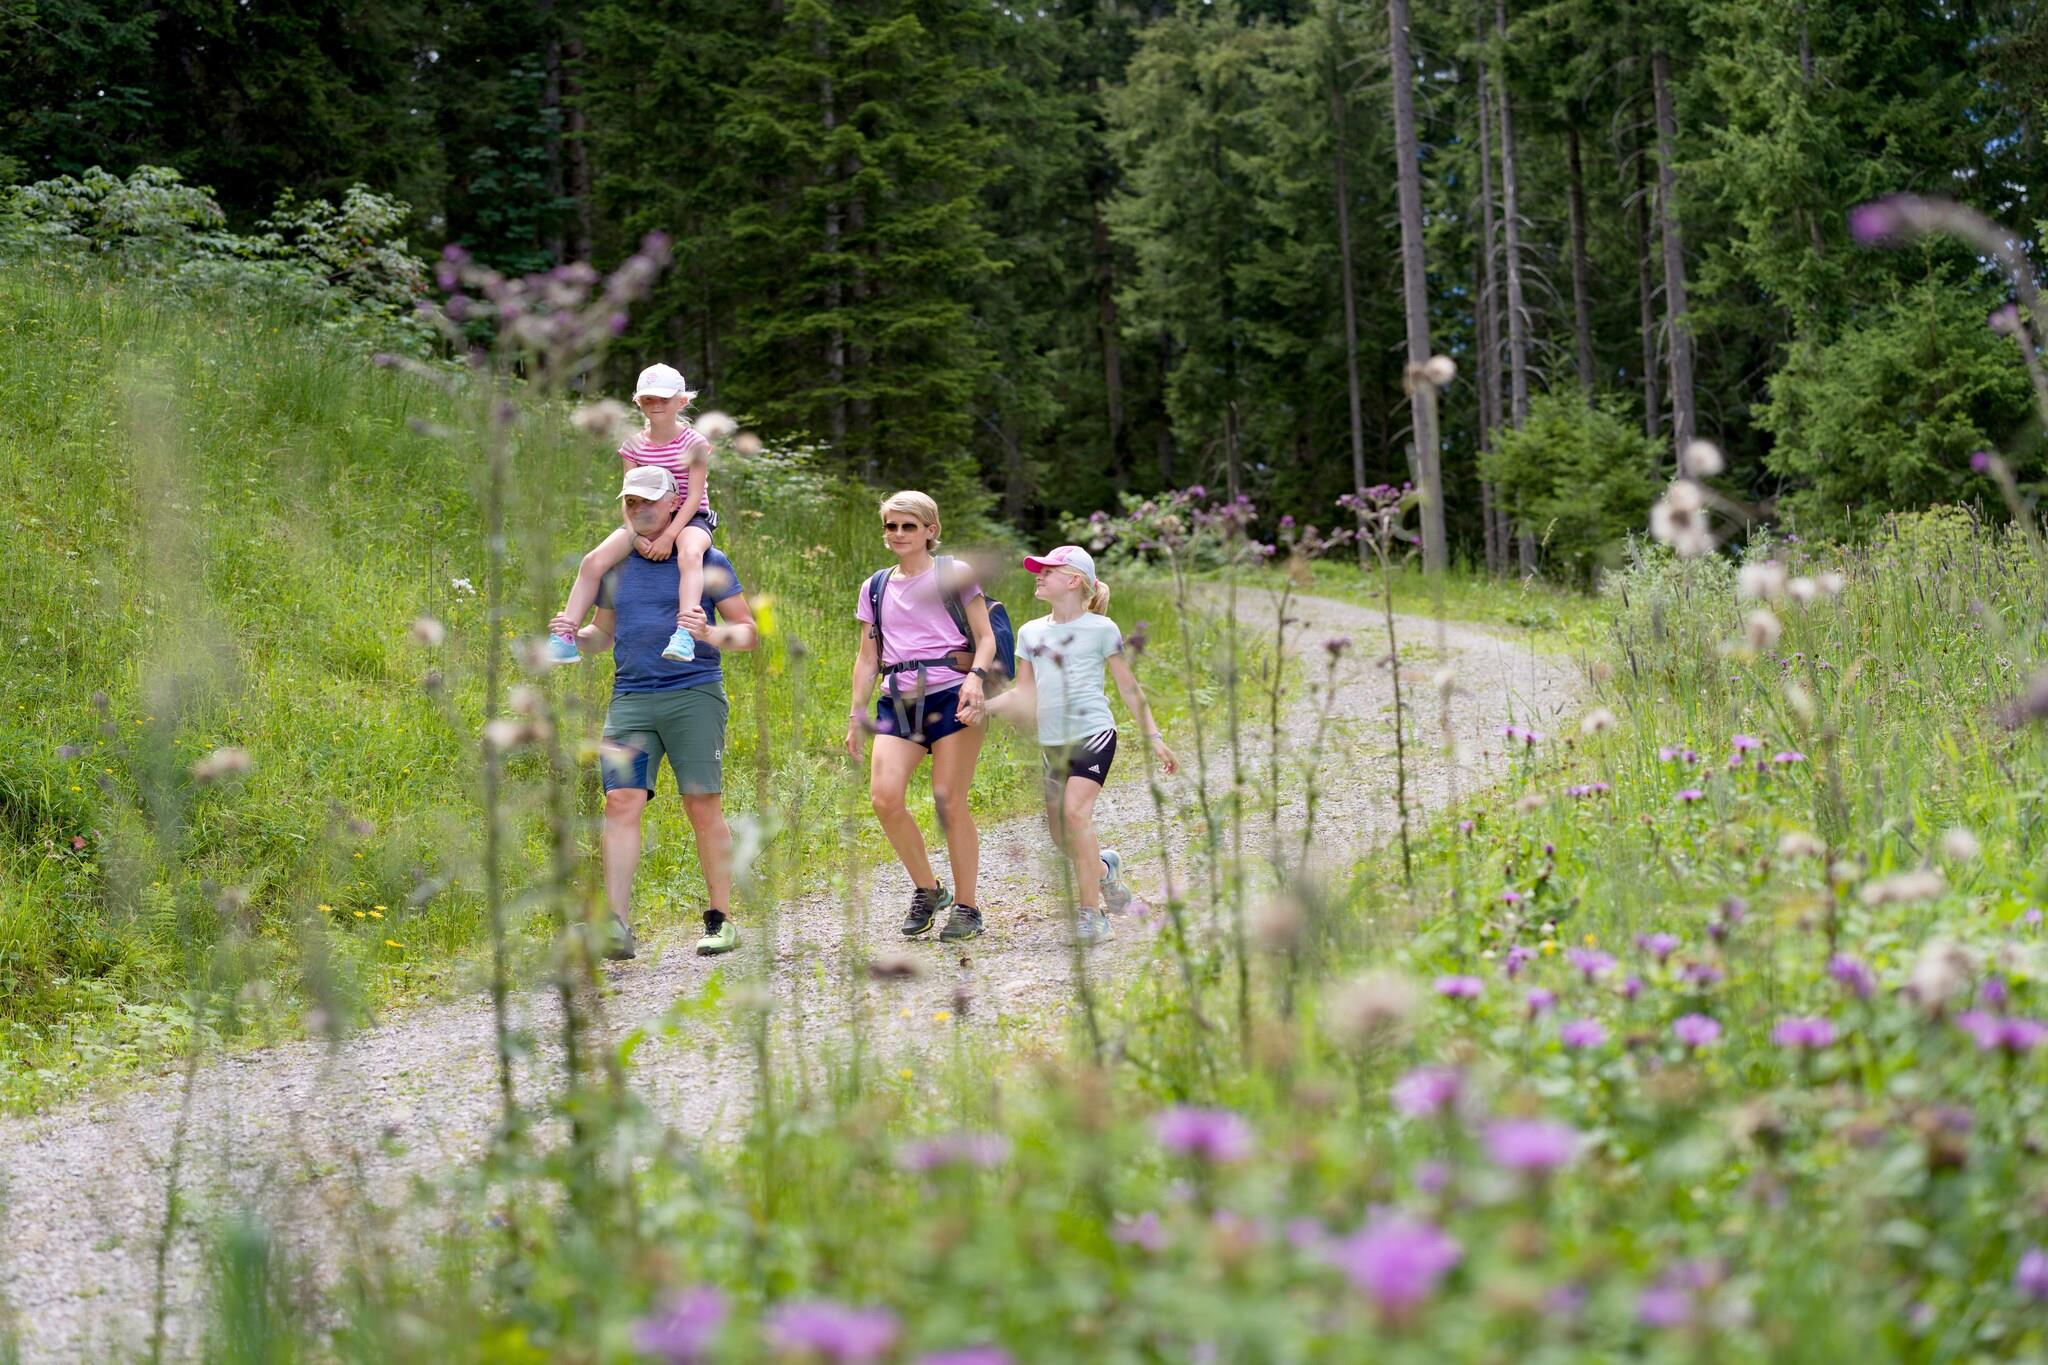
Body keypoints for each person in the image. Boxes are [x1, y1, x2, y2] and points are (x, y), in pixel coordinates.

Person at [557, 464, 756, 960]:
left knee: (701, 804)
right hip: (630, 697)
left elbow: (748, 633)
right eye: (631, 502)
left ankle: (720, 919)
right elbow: (603, 635)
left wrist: (709, 632)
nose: (639, 509)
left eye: (649, 501)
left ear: (673, 505)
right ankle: (616, 925)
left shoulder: (707, 559)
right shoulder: (616, 566)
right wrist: (572, 635)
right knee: (620, 802)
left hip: (694, 694)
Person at [986, 545, 1178, 946]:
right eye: (1038, 570)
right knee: (1060, 835)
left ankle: (1092, 914)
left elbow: (1129, 688)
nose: (1038, 575)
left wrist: (1153, 737)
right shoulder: (1030, 632)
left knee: (1076, 815)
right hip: (1051, 743)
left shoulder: (1102, 629)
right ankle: (1105, 871)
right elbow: (1023, 693)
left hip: (1094, 734)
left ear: (1074, 581)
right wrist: (981, 707)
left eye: (1048, 570)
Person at [845, 491, 997, 942]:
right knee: (884, 798)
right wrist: (856, 715)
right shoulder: (875, 586)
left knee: (949, 801)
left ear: (931, 530)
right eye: (891, 526)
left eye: (908, 526)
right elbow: (867, 658)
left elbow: (986, 637)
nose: (898, 534)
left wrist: (976, 680)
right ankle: (929, 889)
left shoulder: (953, 574)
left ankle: (967, 907)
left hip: (953, 694)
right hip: (898, 700)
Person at [548, 363, 717, 667]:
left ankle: (684, 632)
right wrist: (635, 536)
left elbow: (693, 497)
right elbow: (628, 497)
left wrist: (669, 536)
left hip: (689, 518)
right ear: (638, 402)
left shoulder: (694, 443)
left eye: (664, 399)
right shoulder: (634, 446)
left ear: (681, 401)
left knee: (690, 554)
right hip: (643, 520)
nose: (656, 404)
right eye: (648, 399)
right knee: (593, 561)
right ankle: (565, 635)